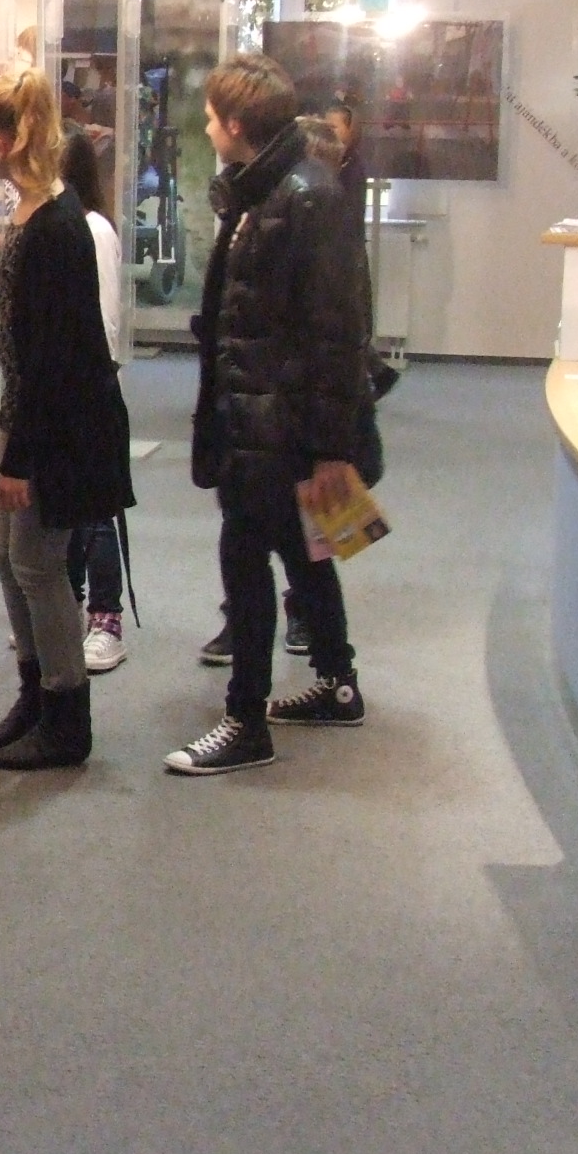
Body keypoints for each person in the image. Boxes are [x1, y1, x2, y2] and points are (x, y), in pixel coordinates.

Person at [168, 56, 373, 778]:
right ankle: (337, 682)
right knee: (302, 546)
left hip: (277, 423)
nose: (205, 128)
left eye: (210, 117)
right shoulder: (262, 190)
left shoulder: (305, 197)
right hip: (259, 414)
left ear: (236, 123)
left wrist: (327, 449)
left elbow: (336, 332)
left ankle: (245, 720)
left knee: (247, 557)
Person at [0, 71, 132, 772]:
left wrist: (18, 459)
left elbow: (54, 358)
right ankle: (35, 694)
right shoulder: (37, 213)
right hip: (31, 412)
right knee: (9, 557)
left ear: (2, 141)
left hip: (55, 426)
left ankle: (66, 716)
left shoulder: (57, 227)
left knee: (38, 564)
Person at [57, 127, 132, 677]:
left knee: (98, 512)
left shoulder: (94, 230)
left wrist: (90, 383)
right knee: (66, 512)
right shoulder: (59, 226)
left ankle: (107, 619)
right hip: (66, 386)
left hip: (91, 387)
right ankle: (67, 608)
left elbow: (102, 315)